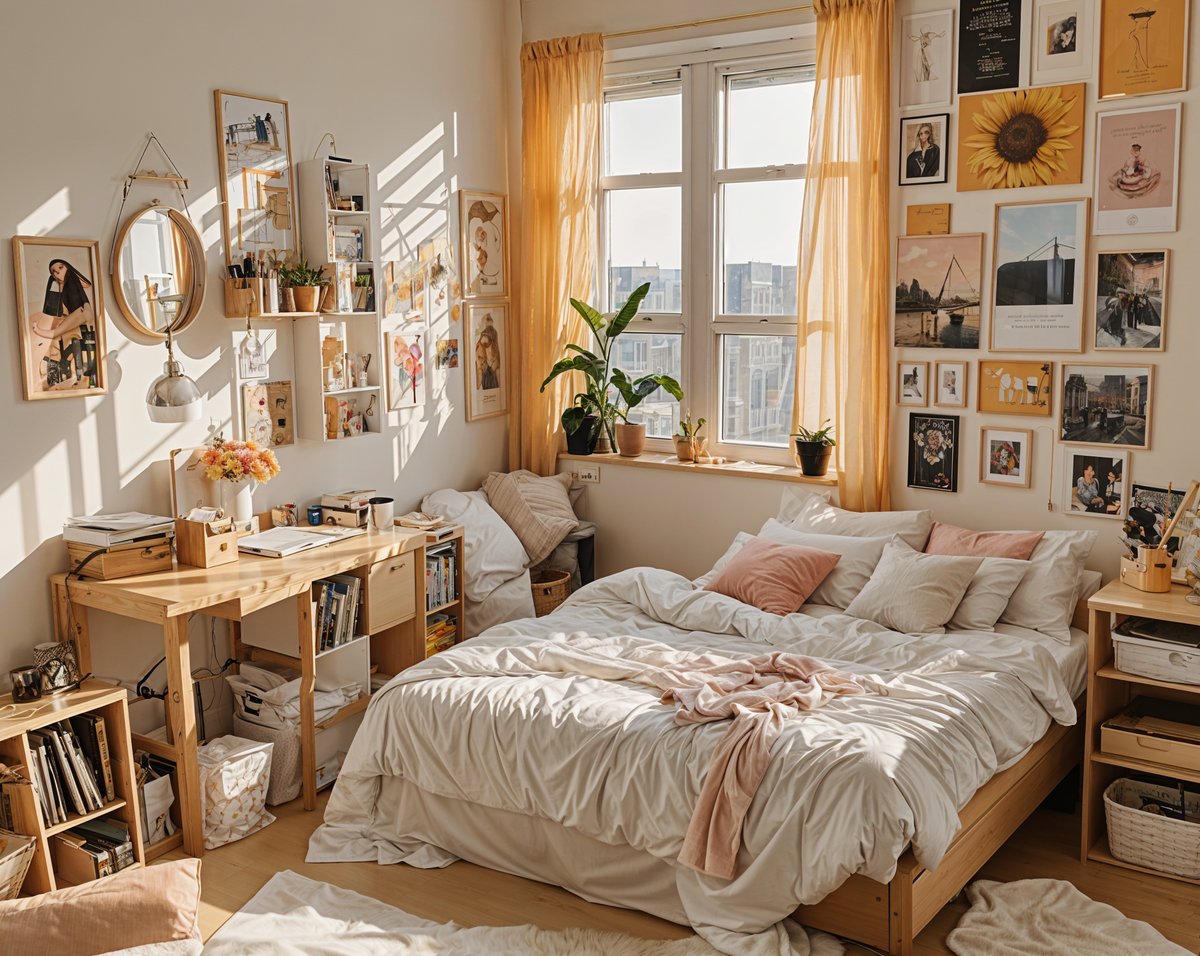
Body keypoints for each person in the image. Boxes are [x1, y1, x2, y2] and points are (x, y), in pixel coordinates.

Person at [29, 258, 98, 390]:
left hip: (77, 335)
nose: (57, 273)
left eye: (61, 268)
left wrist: (42, 331)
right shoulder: (65, 293)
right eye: (53, 272)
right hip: (68, 338)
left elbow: (56, 332)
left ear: (68, 268)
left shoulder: (82, 308)